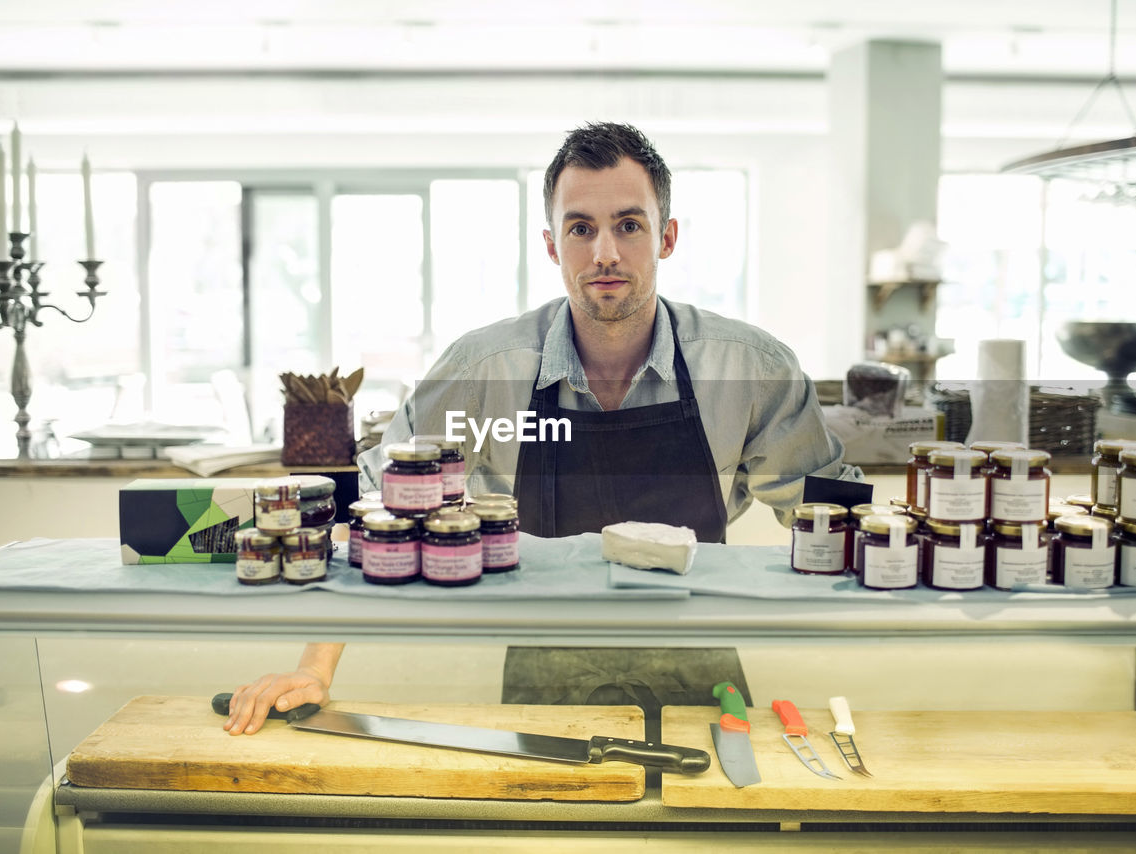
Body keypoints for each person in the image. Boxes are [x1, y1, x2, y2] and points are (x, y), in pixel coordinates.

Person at [224, 122, 855, 735]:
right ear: (552, 244)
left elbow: (830, 511)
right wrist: (314, 668)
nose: (605, 252)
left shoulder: (748, 367)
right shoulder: (483, 370)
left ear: (666, 236)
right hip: (543, 668)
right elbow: (372, 511)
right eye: (581, 228)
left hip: (703, 659)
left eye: (628, 225)